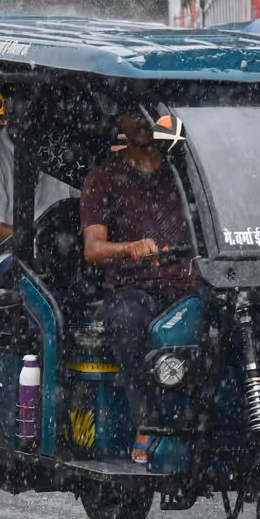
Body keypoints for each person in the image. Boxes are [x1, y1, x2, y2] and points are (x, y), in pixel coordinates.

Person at [80, 107, 193, 462]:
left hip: (188, 285)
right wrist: (130, 248)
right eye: (134, 114)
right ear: (120, 122)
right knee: (128, 321)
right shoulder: (103, 178)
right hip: (134, 288)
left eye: (150, 115)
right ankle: (149, 422)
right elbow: (93, 249)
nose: (143, 122)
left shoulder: (183, 172)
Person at [0, 94, 74, 283]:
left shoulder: (63, 156)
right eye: (31, 105)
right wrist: (43, 244)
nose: (41, 114)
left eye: (48, 108)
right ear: (11, 108)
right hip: (6, 267)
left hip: (59, 264)